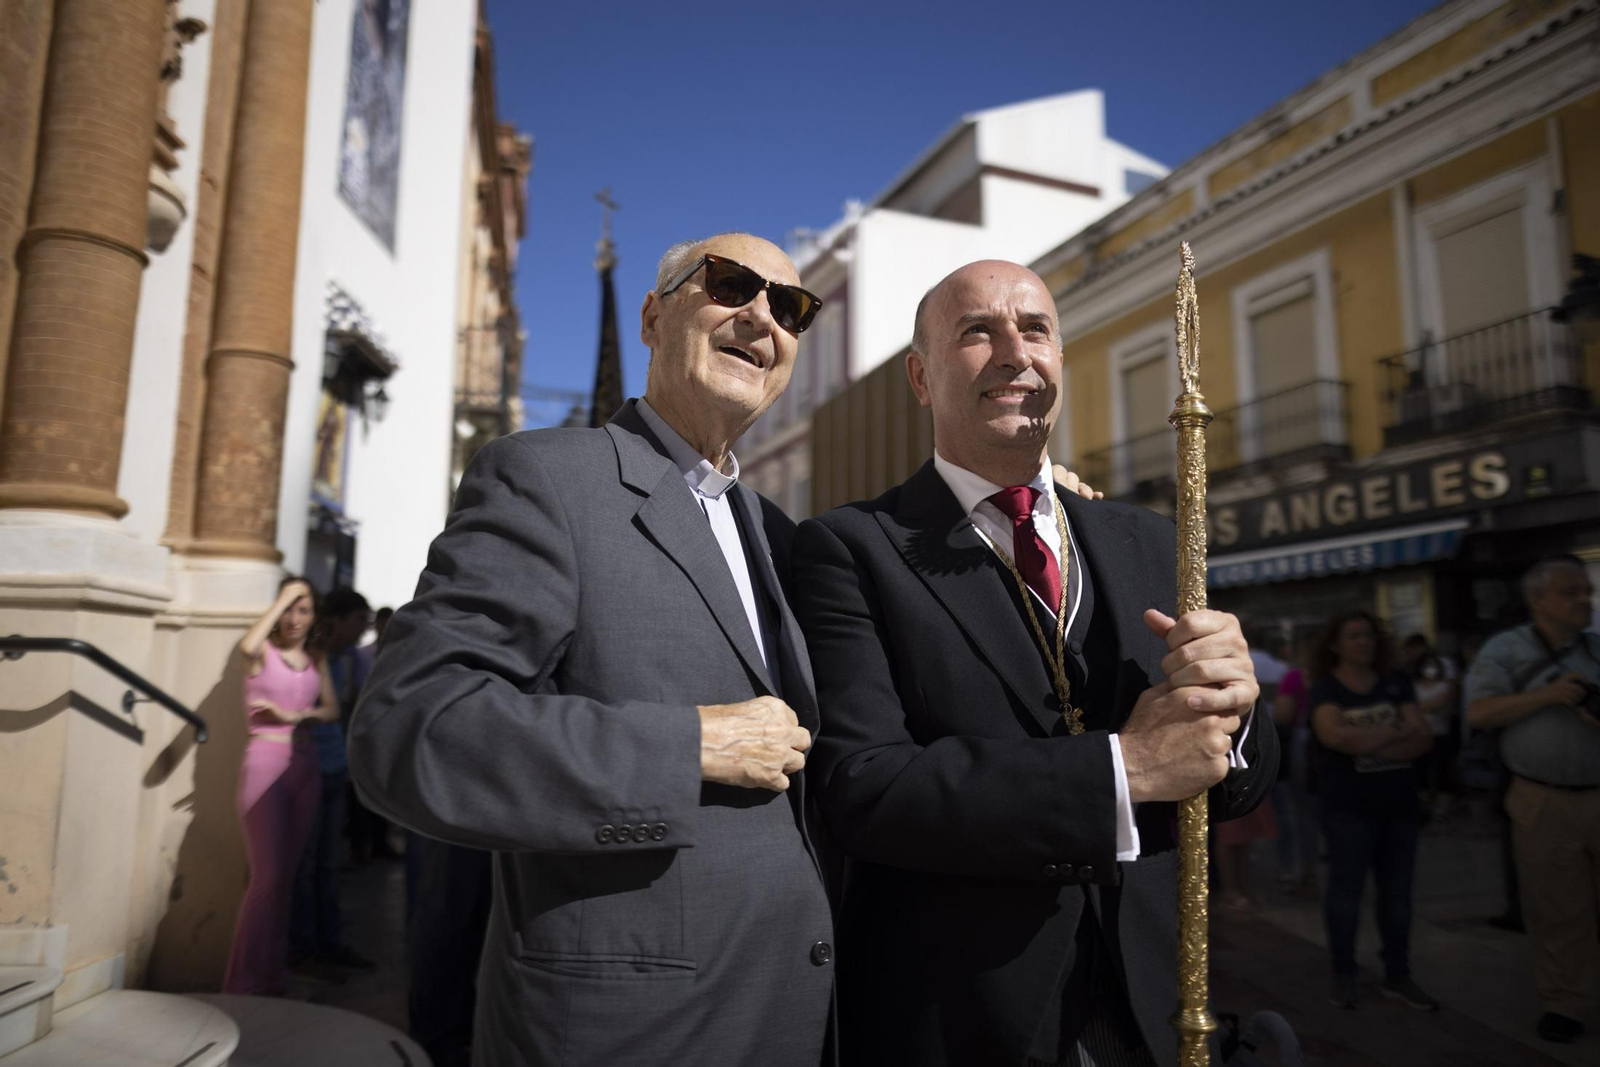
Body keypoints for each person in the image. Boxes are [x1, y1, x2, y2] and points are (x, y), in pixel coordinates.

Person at [347, 233, 838, 1067]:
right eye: (730, 284)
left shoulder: (781, 536)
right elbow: (410, 728)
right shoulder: (545, 477)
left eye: (790, 307)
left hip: (783, 1018)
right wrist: (690, 745)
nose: (762, 316)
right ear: (652, 319)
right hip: (626, 1034)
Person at [791, 260, 1277, 1067]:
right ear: (921, 377)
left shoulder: (1151, 540)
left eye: (1036, 329)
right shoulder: (849, 548)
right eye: (978, 331)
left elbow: (1236, 785)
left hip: (1156, 1006)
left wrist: (1237, 704)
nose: (1015, 352)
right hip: (967, 1018)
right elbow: (864, 787)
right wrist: (1123, 769)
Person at [1465, 555, 1600, 1044]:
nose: (1584, 600)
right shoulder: (1506, 650)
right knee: (1556, 908)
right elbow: (1480, 711)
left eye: (1586, 591)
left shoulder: (1596, 648)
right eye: (1571, 592)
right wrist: (1549, 695)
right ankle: (1565, 1004)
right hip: (1541, 798)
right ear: (1537, 600)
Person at [1308, 610, 1438, 1012]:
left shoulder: (1396, 683)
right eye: (1353, 635)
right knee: (1345, 894)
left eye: (1368, 635)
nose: (1363, 642)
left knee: (1397, 897)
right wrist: (1395, 731)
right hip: (1348, 809)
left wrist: (1364, 740)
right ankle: (1344, 973)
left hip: (1399, 807)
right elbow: (1334, 736)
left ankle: (1398, 974)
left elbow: (1423, 739)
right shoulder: (1326, 688)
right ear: (1335, 644)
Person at [223, 577, 340, 995]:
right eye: (288, 608)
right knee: (267, 878)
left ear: (314, 616)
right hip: (265, 764)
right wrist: (286, 596)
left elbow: (332, 710)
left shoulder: (315, 658)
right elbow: (247, 646)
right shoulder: (261, 654)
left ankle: (272, 975)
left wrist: (296, 716)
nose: (294, 618)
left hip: (306, 767)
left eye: (303, 609)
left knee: (287, 878)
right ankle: (242, 982)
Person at [290, 586, 375, 978]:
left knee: (329, 864)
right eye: (358, 621)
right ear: (337, 620)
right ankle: (303, 947)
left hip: (336, 766)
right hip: (308, 768)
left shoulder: (350, 659)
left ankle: (330, 942)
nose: (362, 629)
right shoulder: (311, 658)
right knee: (306, 866)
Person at [1272, 635, 1320, 896]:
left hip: (1305, 746)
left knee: (1301, 813)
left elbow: (1283, 715)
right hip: (1335, 749)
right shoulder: (1335, 677)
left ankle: (1302, 872)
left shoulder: (1295, 677)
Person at [1402, 633, 1460, 819]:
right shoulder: (1412, 679)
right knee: (1421, 771)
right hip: (1418, 732)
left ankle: (1442, 804)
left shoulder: (1445, 666)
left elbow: (1443, 701)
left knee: (1442, 768)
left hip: (1442, 731)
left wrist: (1418, 707)